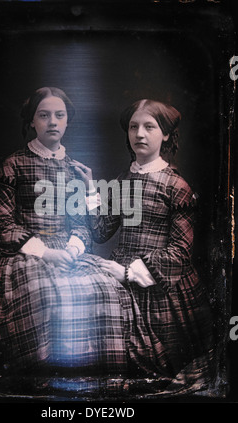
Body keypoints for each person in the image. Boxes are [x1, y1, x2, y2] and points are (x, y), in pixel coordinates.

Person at [0, 87, 135, 376]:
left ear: (67, 122)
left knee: (107, 289)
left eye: (59, 116)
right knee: (45, 293)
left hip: (66, 250)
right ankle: (46, 381)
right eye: (44, 115)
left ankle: (98, 378)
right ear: (32, 122)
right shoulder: (12, 166)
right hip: (24, 252)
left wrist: (71, 250)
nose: (52, 122)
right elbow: (1, 226)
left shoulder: (74, 170)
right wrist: (47, 253)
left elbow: (81, 227)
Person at [73, 99, 215, 390]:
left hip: (161, 287)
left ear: (165, 134)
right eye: (133, 127)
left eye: (149, 127)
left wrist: (127, 273)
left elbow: (180, 251)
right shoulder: (123, 179)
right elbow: (100, 233)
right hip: (119, 277)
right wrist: (90, 190)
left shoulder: (177, 186)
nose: (139, 134)